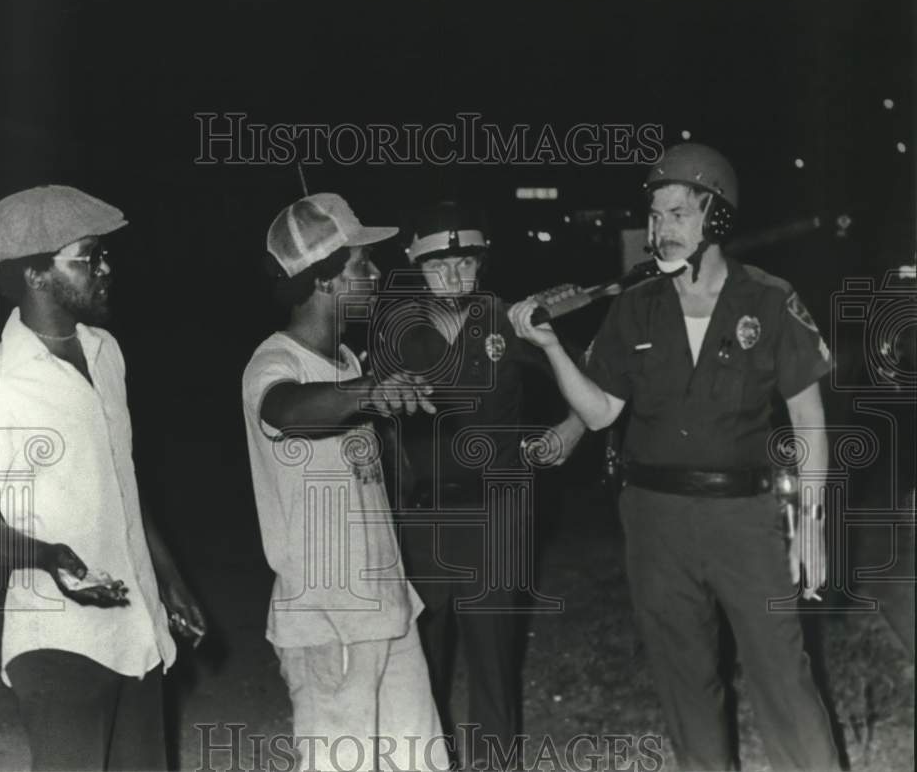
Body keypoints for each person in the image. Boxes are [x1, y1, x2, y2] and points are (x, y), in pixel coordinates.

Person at [509, 144, 840, 771]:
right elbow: (602, 411)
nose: (661, 230)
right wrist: (551, 346)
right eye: (656, 215)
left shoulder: (769, 300)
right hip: (654, 521)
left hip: (745, 518)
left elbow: (808, 420)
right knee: (685, 685)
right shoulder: (635, 304)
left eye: (679, 213)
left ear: (716, 219)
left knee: (783, 677)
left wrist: (814, 528)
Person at [0, 185, 207, 771]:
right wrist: (50, 558)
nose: (105, 268)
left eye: (103, 255)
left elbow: (124, 481)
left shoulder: (105, 351)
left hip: (134, 627)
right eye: (88, 257)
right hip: (58, 642)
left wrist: (168, 580)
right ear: (35, 274)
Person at [241, 192, 448, 772]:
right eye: (361, 263)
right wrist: (369, 394)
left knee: (419, 762)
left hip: (385, 605)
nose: (376, 273)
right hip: (328, 619)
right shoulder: (273, 364)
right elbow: (284, 409)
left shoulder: (349, 363)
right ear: (326, 280)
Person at [378, 201, 586, 770]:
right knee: (421, 672)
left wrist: (569, 430)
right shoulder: (392, 330)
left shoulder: (508, 320)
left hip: (497, 517)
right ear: (413, 264)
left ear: (483, 264)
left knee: (494, 669)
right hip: (421, 526)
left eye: (466, 261)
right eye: (438, 263)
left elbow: (593, 381)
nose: (453, 275)